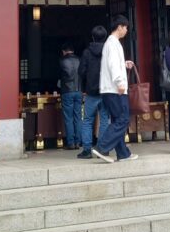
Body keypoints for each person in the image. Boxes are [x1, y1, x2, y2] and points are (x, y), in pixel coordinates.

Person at [92, 15, 137, 163]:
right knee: (123, 119)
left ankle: (123, 153)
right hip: (115, 89)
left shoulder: (112, 43)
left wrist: (124, 64)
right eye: (125, 27)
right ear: (120, 27)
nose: (126, 30)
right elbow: (112, 65)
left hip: (111, 89)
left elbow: (113, 64)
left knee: (119, 119)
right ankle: (102, 147)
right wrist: (120, 83)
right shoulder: (112, 43)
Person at [76, 26, 110, 159]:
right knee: (104, 120)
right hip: (106, 91)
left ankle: (87, 150)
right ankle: (102, 148)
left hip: (91, 92)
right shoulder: (108, 51)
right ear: (105, 37)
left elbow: (81, 72)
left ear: (93, 37)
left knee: (87, 120)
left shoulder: (86, 53)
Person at [59, 42, 82, 150]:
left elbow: (59, 76)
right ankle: (78, 142)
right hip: (78, 90)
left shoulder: (62, 60)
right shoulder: (79, 60)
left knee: (69, 118)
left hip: (67, 91)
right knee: (78, 117)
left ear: (64, 51)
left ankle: (71, 143)